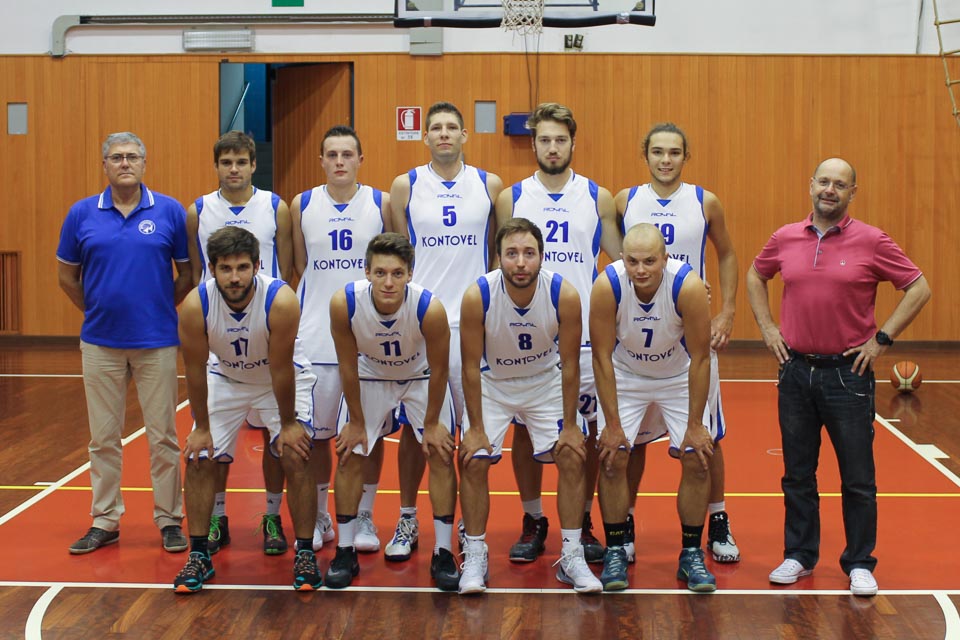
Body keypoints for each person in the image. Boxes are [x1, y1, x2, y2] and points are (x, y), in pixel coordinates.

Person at [746, 157, 931, 597]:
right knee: (797, 474)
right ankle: (799, 555)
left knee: (858, 478)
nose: (830, 190)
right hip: (795, 372)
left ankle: (860, 563)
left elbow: (919, 288)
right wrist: (768, 328)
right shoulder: (785, 237)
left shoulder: (873, 241)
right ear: (811, 185)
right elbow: (756, 275)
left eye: (840, 184)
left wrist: (881, 340)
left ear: (852, 193)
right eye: (824, 182)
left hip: (849, 375)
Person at [495, 103, 621, 565]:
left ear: (573, 143)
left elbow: (623, 261)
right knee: (525, 432)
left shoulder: (597, 196)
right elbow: (498, 265)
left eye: (560, 140)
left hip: (583, 336)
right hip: (525, 334)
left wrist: (679, 282)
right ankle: (533, 519)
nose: (552, 148)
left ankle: (580, 519)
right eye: (545, 140)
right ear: (533, 144)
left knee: (585, 434)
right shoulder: (511, 198)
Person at [57, 131, 190, 555]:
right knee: (103, 439)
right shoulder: (81, 214)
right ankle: (105, 520)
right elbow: (66, 276)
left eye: (132, 156)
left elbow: (187, 275)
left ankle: (169, 519)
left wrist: (158, 307)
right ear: (105, 165)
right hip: (100, 343)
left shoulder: (169, 211)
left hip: (157, 342)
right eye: (116, 157)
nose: (125, 163)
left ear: (144, 163)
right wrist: (96, 308)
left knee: (163, 436)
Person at [616, 122, 740, 565]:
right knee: (631, 441)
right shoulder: (625, 201)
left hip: (690, 336)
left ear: (686, 156)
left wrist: (726, 311)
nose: (665, 160)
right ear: (645, 155)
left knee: (705, 437)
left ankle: (718, 518)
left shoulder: (705, 201)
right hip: (639, 335)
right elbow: (615, 255)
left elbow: (727, 252)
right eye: (657, 152)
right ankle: (625, 522)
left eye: (673, 152)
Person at [174, 226, 321, 593]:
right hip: (225, 377)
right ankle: (199, 554)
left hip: (278, 378)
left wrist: (288, 424)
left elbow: (282, 369)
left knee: (296, 452)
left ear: (257, 265)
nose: (235, 277)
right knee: (199, 457)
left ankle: (305, 552)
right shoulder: (195, 305)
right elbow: (194, 370)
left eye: (242, 267)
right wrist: (201, 428)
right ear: (212, 269)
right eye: (225, 268)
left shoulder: (280, 300)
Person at [458, 218, 601, 595]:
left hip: (544, 382)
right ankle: (475, 554)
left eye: (528, 253)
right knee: (473, 458)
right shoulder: (477, 296)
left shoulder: (563, 294)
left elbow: (570, 364)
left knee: (572, 453)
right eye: (511, 254)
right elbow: (469, 366)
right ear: (498, 258)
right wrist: (475, 429)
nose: (520, 262)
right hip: (494, 383)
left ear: (541, 256)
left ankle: (572, 555)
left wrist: (571, 425)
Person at [386, 101, 503, 562]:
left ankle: (469, 529)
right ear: (425, 137)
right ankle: (408, 517)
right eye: (435, 128)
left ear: (465, 135)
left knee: (472, 430)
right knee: (417, 430)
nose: (444, 134)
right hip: (423, 321)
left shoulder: (490, 185)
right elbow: (400, 253)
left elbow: (496, 251)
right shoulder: (405, 185)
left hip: (472, 324)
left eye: (452, 127)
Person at [327, 232, 459, 590]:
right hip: (370, 375)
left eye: (397, 273)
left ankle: (443, 552)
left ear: (410, 274)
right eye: (381, 273)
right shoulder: (345, 304)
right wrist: (356, 422)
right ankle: (345, 550)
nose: (388, 282)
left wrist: (432, 424)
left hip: (420, 376)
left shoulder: (429, 309)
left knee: (441, 453)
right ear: (366, 272)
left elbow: (440, 370)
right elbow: (347, 365)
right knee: (350, 451)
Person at [591, 223, 717, 593]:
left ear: (665, 258)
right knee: (612, 456)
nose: (641, 269)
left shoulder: (687, 286)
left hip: (677, 375)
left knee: (697, 456)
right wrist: (612, 425)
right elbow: (600, 356)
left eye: (649, 261)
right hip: (627, 374)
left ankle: (691, 553)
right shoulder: (608, 286)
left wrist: (695, 424)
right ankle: (616, 549)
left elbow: (701, 358)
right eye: (632, 261)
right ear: (622, 259)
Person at [186, 130, 294, 556]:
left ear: (253, 165)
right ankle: (216, 518)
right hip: (221, 335)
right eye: (226, 162)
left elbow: (287, 266)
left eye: (241, 162)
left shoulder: (274, 206)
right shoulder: (198, 211)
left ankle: (272, 515)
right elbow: (197, 271)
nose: (234, 169)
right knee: (214, 443)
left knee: (275, 439)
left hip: (264, 327)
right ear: (216, 166)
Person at [291, 125, 392, 554]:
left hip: (368, 338)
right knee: (316, 435)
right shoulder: (302, 204)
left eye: (347, 154)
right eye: (331, 155)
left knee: (369, 433)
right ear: (321, 161)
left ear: (360, 160)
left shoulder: (381, 203)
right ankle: (319, 514)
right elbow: (299, 265)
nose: (339, 162)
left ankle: (364, 514)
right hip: (315, 337)